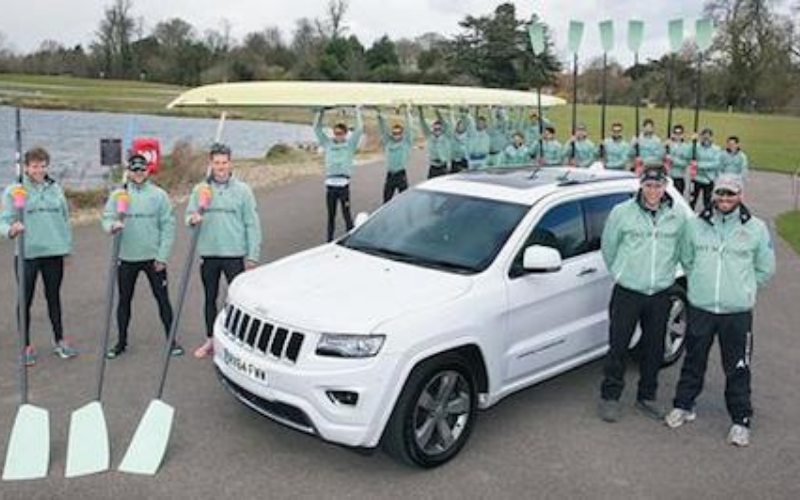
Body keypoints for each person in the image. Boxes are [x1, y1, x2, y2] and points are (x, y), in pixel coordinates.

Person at [665, 174, 775, 447]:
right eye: (720, 194)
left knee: (737, 366)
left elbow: (765, 268)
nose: (724, 200)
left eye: (731, 194)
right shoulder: (695, 226)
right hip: (702, 307)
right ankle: (684, 405)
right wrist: (702, 284)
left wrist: (743, 289)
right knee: (694, 360)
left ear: (740, 196)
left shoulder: (756, 229)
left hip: (736, 312)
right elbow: (687, 259)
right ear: (713, 195)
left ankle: (740, 420)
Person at [598, 164, 688, 423]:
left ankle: (647, 396)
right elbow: (609, 247)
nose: (653, 191)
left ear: (665, 186)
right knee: (618, 345)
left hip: (660, 292)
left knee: (653, 347)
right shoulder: (622, 212)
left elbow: (683, 251)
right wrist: (621, 273)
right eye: (648, 185)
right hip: (628, 291)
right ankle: (610, 397)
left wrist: (667, 275)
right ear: (641, 185)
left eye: (658, 186)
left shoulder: (677, 216)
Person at [1, 146, 77, 365]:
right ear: (26, 167)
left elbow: (64, 220)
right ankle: (25, 346)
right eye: (34, 166)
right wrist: (11, 230)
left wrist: (67, 249)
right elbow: (3, 222)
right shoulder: (15, 191)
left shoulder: (55, 189)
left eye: (43, 166)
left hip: (54, 252)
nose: (39, 170)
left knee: (54, 297)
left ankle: (60, 341)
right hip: (28, 254)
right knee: (25, 300)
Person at [187, 143, 262, 359]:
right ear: (211, 164)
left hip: (234, 254)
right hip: (209, 254)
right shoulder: (201, 190)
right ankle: (210, 340)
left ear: (230, 163)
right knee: (209, 298)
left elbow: (252, 224)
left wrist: (252, 255)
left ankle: (241, 342)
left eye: (224, 162)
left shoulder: (243, 190)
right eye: (217, 162)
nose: (221, 167)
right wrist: (194, 218)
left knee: (238, 301)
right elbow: (189, 217)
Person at [103, 154, 180, 359]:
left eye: (142, 170)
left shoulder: (159, 195)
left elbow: (168, 227)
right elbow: (106, 218)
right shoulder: (118, 195)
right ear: (128, 172)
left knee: (163, 300)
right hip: (127, 258)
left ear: (147, 171)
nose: (138, 174)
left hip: (153, 259)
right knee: (124, 301)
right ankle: (121, 342)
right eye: (134, 170)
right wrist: (112, 226)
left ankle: (171, 340)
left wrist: (162, 257)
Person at [313, 106, 364, 242]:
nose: (338, 135)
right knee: (331, 216)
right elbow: (316, 129)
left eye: (341, 133)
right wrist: (321, 112)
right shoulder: (327, 144)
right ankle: (328, 241)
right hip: (330, 186)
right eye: (336, 132)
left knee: (346, 214)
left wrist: (358, 110)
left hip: (343, 186)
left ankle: (353, 239)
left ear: (345, 133)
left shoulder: (350, 145)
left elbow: (359, 129)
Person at [377, 107, 414, 198]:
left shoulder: (406, 142)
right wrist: (379, 115)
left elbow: (409, 127)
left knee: (404, 200)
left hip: (401, 175)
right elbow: (383, 129)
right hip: (390, 175)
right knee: (386, 199)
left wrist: (407, 112)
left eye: (398, 133)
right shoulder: (388, 142)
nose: (396, 135)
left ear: (402, 133)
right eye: (394, 133)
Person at [690, 127, 722, 211]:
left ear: (711, 138)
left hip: (708, 180)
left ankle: (707, 216)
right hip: (696, 178)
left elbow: (716, 164)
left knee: (707, 201)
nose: (706, 139)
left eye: (708, 137)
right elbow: (688, 155)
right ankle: (690, 216)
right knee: (692, 200)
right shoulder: (696, 146)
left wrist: (699, 165)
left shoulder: (717, 149)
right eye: (704, 137)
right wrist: (692, 141)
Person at [418, 107, 451, 179]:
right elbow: (422, 123)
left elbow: (444, 123)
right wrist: (420, 111)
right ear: (433, 129)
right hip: (433, 167)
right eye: (435, 129)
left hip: (443, 167)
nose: (437, 131)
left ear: (442, 129)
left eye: (439, 129)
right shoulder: (429, 136)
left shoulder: (445, 136)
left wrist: (437, 112)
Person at [665, 124, 693, 195]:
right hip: (668, 176)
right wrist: (664, 147)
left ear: (682, 135)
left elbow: (685, 163)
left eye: (679, 133)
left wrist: (673, 160)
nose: (677, 136)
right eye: (675, 133)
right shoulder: (668, 145)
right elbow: (661, 157)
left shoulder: (687, 147)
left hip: (679, 177)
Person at [448, 109, 470, 173]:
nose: (460, 127)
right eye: (459, 126)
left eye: (462, 126)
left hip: (464, 161)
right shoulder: (453, 134)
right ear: (456, 127)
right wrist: (451, 112)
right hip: (454, 161)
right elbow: (451, 121)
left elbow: (469, 122)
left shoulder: (467, 135)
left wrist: (465, 114)